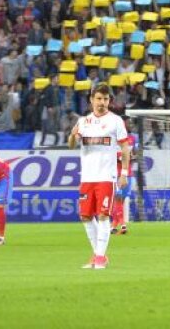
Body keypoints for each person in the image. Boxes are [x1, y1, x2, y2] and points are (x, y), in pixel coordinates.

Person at [68, 84, 130, 269]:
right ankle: (97, 255)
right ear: (91, 100)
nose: (102, 102)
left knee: (103, 215)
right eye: (99, 98)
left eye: (105, 99)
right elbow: (72, 145)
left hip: (106, 176)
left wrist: (124, 173)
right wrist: (72, 136)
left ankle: (100, 257)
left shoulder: (116, 121)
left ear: (109, 101)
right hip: (87, 176)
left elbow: (125, 148)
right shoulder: (83, 121)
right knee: (86, 216)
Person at [110, 130, 137, 235]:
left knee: (119, 200)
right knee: (117, 200)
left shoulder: (132, 139)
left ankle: (116, 225)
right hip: (115, 175)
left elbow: (134, 155)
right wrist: (118, 158)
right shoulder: (112, 141)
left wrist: (130, 157)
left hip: (127, 175)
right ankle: (120, 224)